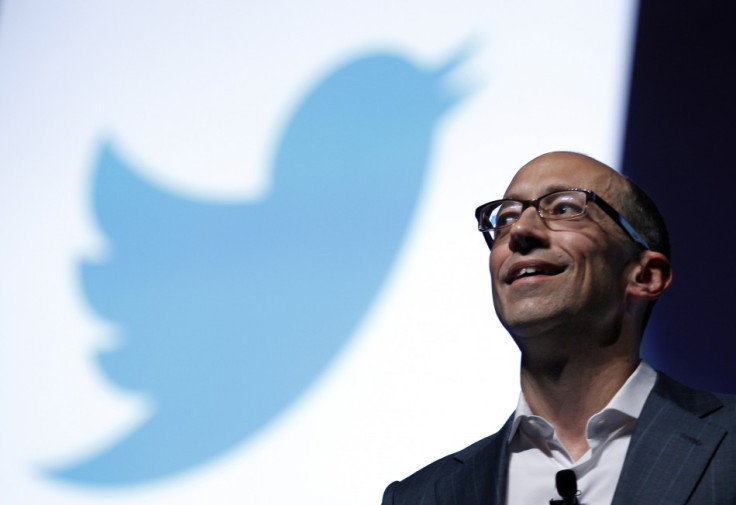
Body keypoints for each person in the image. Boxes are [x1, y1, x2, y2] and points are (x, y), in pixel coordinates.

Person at [381, 152, 736, 505]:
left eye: (565, 208)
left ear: (645, 276)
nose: (519, 231)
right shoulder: (421, 496)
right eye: (505, 218)